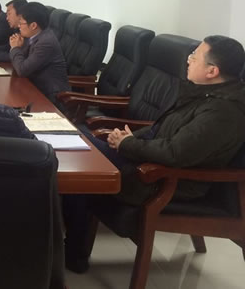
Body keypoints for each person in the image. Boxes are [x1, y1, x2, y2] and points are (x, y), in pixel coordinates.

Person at [63, 35, 245, 273]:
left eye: (194, 56)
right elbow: (161, 129)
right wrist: (129, 139)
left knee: (82, 159)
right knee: (81, 145)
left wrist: (128, 144)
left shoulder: (222, 111)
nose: (188, 60)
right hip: (149, 160)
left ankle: (74, 252)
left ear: (212, 71)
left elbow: (176, 153)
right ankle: (71, 247)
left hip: (166, 179)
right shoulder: (204, 94)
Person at [9, 2, 70, 103]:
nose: (19, 26)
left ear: (33, 25)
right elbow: (21, 63)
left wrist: (15, 48)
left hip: (52, 97)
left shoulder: (46, 43)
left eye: (21, 23)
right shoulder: (33, 36)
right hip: (35, 87)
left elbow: (22, 70)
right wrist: (18, 47)